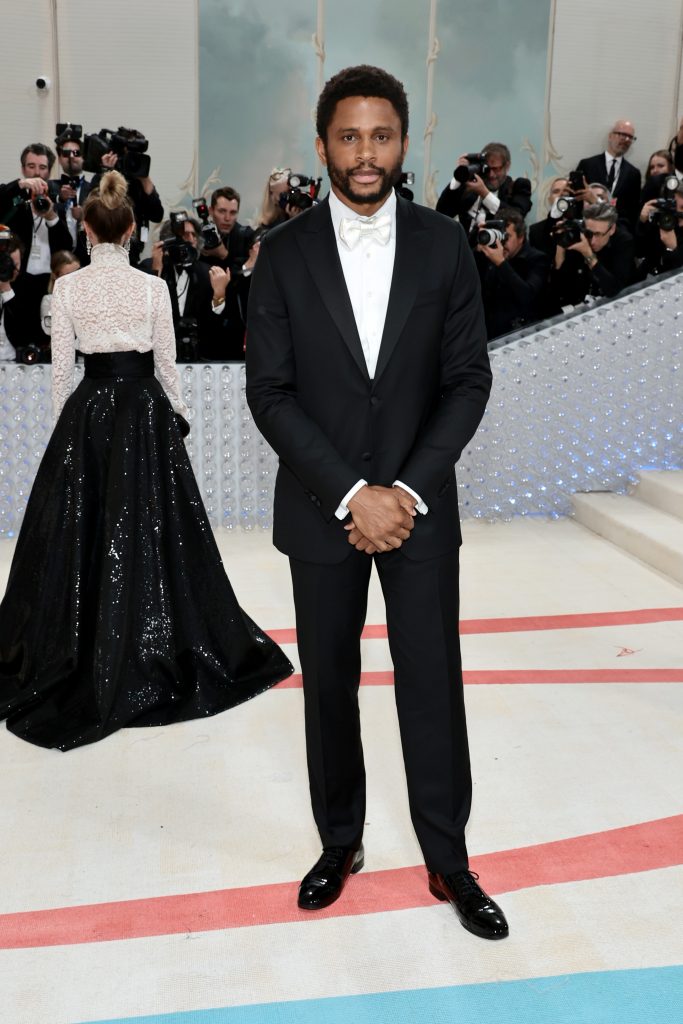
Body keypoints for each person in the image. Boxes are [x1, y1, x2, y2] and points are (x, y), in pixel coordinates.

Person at [247, 64, 508, 940]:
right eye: (349, 137)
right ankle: (339, 842)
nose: (366, 154)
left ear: (403, 142)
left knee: (432, 685)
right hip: (323, 512)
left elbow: (467, 381)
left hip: (421, 512)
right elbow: (270, 393)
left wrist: (402, 491)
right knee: (329, 686)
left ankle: (448, 857)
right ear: (322, 146)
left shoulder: (442, 246)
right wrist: (352, 494)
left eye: (381, 136)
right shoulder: (279, 254)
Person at [0, 171, 292, 750]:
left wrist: (71, 433)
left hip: (90, 412)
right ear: (133, 229)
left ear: (86, 229)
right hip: (143, 411)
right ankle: (150, 638)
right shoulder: (152, 287)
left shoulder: (70, 290)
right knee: (153, 531)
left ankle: (87, 646)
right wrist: (176, 416)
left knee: (84, 535)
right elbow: (167, 364)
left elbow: (63, 374)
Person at [475, 209, 549, 339]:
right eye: (499, 235)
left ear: (521, 237)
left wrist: (501, 263)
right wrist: (477, 245)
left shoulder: (537, 259)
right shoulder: (490, 256)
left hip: (523, 335)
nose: (502, 243)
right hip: (490, 334)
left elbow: (528, 295)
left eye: (506, 237)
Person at [549, 201, 635, 310]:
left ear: (612, 229)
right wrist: (561, 246)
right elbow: (556, 288)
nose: (593, 241)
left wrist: (588, 254)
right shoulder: (579, 234)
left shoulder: (624, 241)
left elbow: (613, 289)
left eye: (598, 234)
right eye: (589, 233)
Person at [435, 141, 532, 238]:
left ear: (507, 166)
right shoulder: (471, 187)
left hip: (499, 250)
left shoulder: (519, 186)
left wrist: (484, 193)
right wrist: (459, 176)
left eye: (496, 169)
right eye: (488, 169)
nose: (491, 175)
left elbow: (516, 218)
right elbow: (442, 213)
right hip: (466, 249)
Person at [576, 120, 641, 228]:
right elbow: (576, 198)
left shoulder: (634, 174)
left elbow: (632, 212)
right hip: (587, 226)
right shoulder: (587, 165)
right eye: (622, 134)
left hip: (617, 230)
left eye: (630, 137)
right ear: (610, 136)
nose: (626, 140)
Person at [39, 249, 81, 337]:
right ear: (55, 276)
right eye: (68, 275)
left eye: (77, 273)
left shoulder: (90, 295)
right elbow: (49, 330)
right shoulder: (49, 300)